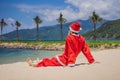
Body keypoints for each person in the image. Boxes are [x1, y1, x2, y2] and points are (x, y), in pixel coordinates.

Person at [27, 22, 99, 67]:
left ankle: (34, 64)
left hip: (64, 60)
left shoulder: (69, 38)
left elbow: (71, 51)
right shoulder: (82, 38)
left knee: (48, 62)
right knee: (50, 60)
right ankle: (38, 61)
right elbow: (86, 50)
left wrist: (71, 63)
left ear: (71, 31)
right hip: (66, 59)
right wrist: (92, 61)